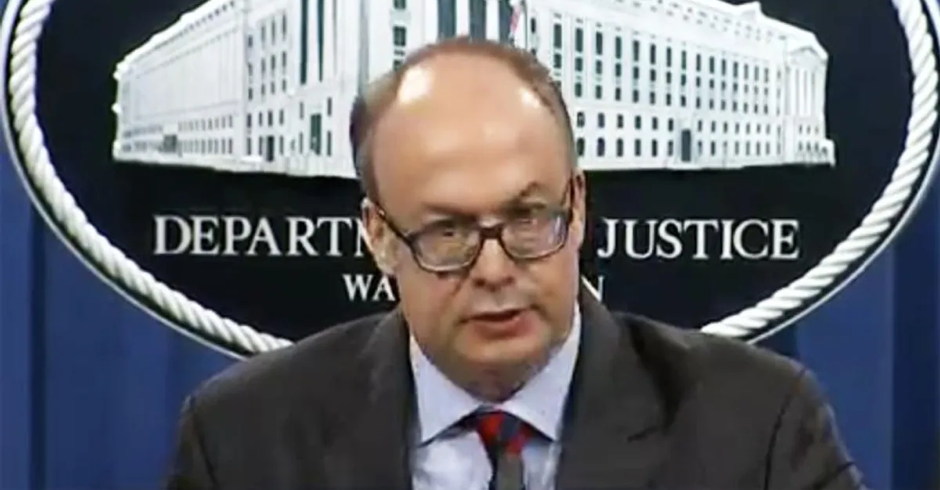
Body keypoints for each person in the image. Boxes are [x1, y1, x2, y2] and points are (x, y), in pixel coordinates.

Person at [165, 37, 865, 489]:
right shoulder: (243, 441)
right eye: (447, 232)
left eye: (529, 218)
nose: (495, 271)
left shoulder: (758, 428)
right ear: (380, 238)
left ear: (577, 206)